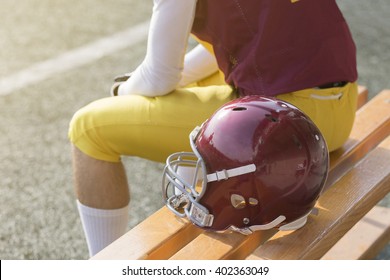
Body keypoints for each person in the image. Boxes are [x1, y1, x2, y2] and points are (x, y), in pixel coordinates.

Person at [68, 0, 357, 257]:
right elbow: (240, 41)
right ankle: (187, 212)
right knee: (182, 91)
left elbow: (159, 76)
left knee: (87, 129)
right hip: (337, 110)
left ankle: (103, 267)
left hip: (284, 124)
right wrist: (178, 85)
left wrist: (121, 91)